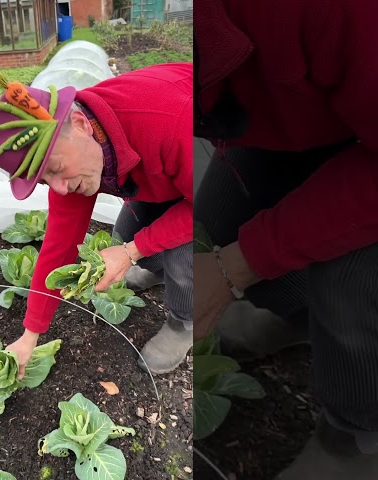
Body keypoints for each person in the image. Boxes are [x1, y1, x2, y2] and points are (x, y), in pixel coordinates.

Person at [193, 1, 378, 478]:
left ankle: (357, 436)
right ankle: (303, 321)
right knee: (213, 225)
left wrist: (239, 265)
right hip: (337, 108)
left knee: (349, 275)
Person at [0, 63, 193, 377]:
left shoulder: (171, 121)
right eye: (43, 180)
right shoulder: (80, 152)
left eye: (54, 168)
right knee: (126, 231)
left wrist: (131, 252)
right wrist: (30, 335)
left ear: (81, 124)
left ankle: (184, 323)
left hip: (220, 154)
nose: (59, 188)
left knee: (183, 253)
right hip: (171, 170)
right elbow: (58, 248)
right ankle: (155, 270)